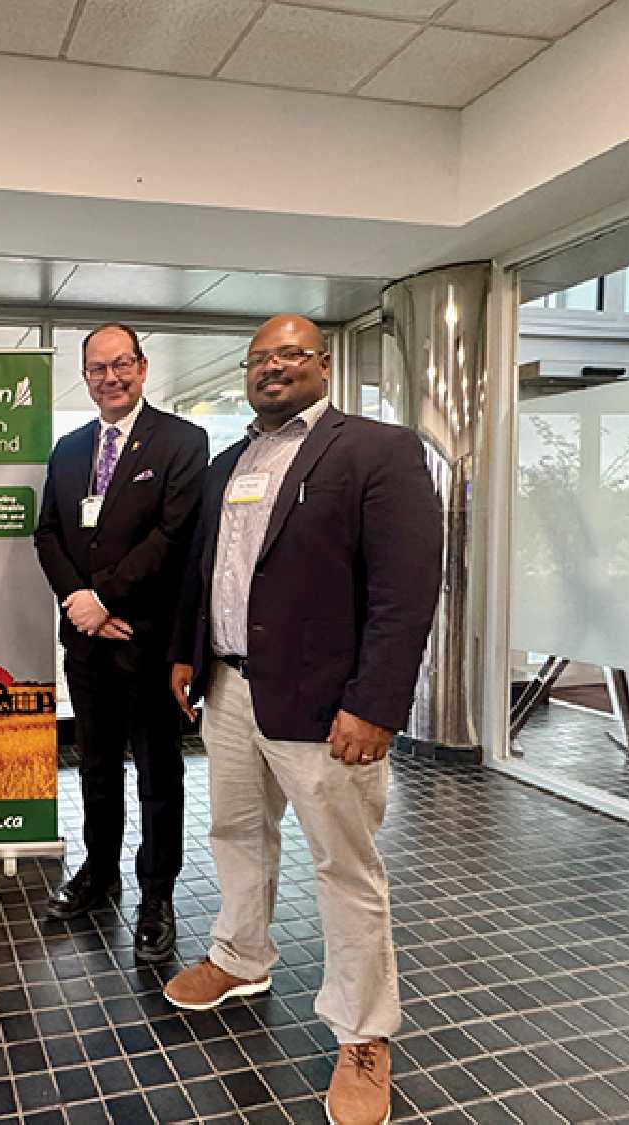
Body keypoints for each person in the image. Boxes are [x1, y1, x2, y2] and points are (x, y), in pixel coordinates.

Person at [166, 315, 442, 1125]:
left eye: (290, 354)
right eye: (259, 358)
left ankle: (363, 1032)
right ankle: (241, 954)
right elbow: (207, 568)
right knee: (235, 833)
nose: (272, 368)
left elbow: (405, 588)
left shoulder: (378, 451)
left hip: (327, 705)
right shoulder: (231, 462)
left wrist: (375, 701)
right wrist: (190, 652)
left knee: (345, 867)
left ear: (324, 363)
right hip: (229, 689)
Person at [34, 323, 208, 963]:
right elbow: (47, 534)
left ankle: (156, 895)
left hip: (149, 641)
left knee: (159, 774)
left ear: (142, 366)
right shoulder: (68, 448)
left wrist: (102, 598)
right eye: (97, 369)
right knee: (98, 767)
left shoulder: (183, 441)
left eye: (121, 364)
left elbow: (173, 535)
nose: (110, 377)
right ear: (84, 377)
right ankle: (98, 871)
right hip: (87, 645)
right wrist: (79, 605)